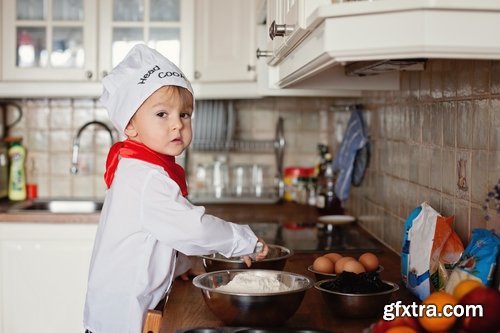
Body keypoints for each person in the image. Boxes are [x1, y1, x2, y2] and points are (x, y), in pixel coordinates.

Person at [83, 44, 269, 333]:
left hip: (119, 314)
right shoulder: (145, 178)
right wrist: (243, 240)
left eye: (184, 114)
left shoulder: (144, 168)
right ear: (130, 125)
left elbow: (156, 234)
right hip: (121, 321)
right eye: (162, 114)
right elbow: (190, 228)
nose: (177, 125)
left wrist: (181, 266)